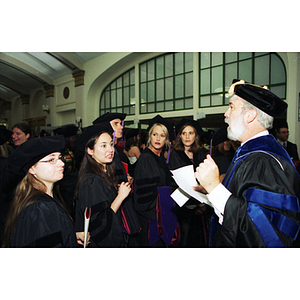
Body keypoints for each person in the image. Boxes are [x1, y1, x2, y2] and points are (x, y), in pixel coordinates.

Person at [194, 79, 300, 248]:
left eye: (231, 107)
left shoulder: (264, 161)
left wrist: (215, 189)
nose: (226, 114)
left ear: (250, 115)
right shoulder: (249, 153)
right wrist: (213, 187)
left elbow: (263, 233)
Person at [2, 135, 78, 247]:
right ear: (32, 169)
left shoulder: (45, 200)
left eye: (60, 158)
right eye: (51, 160)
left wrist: (71, 236)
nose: (62, 163)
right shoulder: (40, 209)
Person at [74, 123, 136, 247]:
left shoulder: (105, 173)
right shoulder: (92, 181)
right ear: (90, 150)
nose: (110, 149)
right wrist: (120, 197)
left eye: (111, 144)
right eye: (103, 145)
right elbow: (100, 224)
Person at [92, 112, 141, 246]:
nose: (121, 127)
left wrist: (126, 179)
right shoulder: (105, 157)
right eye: (116, 124)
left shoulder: (114, 153)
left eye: (121, 124)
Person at [134, 114, 179, 247]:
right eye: (155, 134)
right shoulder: (147, 159)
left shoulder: (159, 158)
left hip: (161, 214)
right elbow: (145, 193)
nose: (158, 138)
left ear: (166, 139)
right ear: (149, 136)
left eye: (162, 135)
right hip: (152, 218)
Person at [168, 118, 209, 247]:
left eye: (190, 133)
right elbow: (176, 182)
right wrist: (193, 204)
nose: (187, 136)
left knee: (200, 240)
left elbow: (205, 179)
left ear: (195, 135)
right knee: (185, 241)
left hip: (202, 205)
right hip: (183, 207)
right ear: (180, 135)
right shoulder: (175, 154)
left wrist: (201, 204)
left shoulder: (201, 153)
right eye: (184, 133)